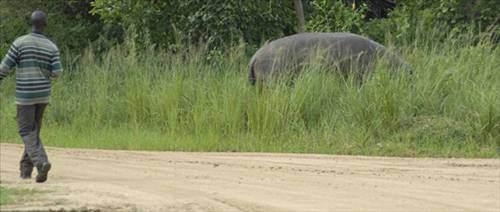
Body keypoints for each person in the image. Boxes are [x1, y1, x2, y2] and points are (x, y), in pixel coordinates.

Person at [0, 10, 62, 183]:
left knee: (26, 130)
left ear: (31, 23)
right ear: (45, 25)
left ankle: (41, 162)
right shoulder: (51, 46)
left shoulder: (20, 42)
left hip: (25, 94)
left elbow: (4, 68)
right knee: (33, 132)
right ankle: (25, 171)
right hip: (43, 95)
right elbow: (57, 72)